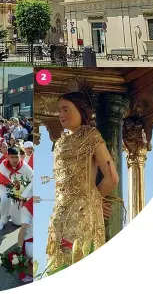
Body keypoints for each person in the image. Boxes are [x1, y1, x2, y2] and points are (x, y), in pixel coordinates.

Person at [46, 92, 118, 271]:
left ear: (81, 110)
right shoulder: (60, 142)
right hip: (59, 214)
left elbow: (112, 177)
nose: (61, 114)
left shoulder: (90, 135)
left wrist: (92, 200)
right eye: (59, 110)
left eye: (66, 109)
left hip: (82, 215)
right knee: (58, 262)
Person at [0, 146, 34, 230]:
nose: (14, 160)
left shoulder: (25, 166)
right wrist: (15, 190)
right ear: (7, 156)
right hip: (6, 186)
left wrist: (23, 193)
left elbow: (33, 178)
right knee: (5, 199)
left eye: (16, 157)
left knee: (17, 222)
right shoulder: (3, 165)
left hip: (21, 190)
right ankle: (3, 219)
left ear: (20, 156)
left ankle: (12, 211)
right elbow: (2, 180)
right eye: (12, 157)